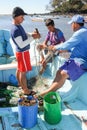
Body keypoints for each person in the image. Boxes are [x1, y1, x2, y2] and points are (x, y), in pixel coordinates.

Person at [38, 15, 87, 97]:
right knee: (59, 72)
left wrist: (55, 47)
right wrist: (65, 50)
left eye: (72, 24)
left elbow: (66, 44)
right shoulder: (83, 31)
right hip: (77, 59)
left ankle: (45, 93)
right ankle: (50, 90)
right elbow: (75, 47)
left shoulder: (80, 33)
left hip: (81, 61)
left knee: (63, 73)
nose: (71, 26)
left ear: (75, 24)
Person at [10, 7, 40, 95]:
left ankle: (20, 84)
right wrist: (33, 38)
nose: (23, 18)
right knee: (23, 72)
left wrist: (31, 34)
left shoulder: (18, 26)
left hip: (20, 53)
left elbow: (24, 34)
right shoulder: (15, 29)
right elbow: (21, 44)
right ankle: (26, 90)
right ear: (16, 17)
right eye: (21, 17)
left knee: (19, 69)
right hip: (22, 53)